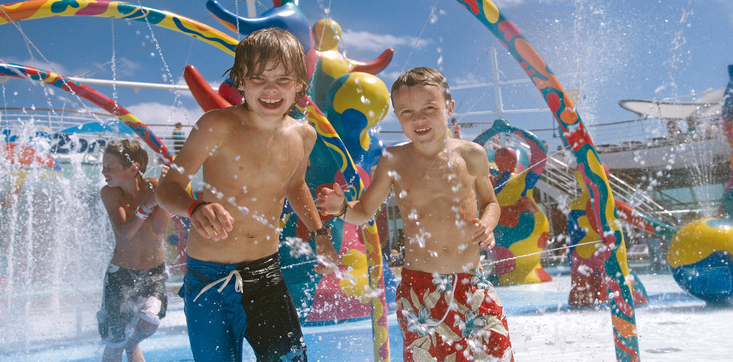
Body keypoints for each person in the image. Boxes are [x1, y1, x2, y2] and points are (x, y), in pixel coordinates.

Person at [156, 28, 338, 362]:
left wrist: (320, 233)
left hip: (266, 274)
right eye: (258, 78)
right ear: (240, 80)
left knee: (291, 359)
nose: (271, 89)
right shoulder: (216, 125)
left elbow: (295, 186)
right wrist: (194, 207)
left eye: (283, 79)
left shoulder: (304, 135)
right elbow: (167, 189)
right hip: (209, 279)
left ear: (299, 85)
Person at [316, 67, 513, 362]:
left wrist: (487, 224)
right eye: (407, 111)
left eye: (429, 108)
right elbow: (365, 210)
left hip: (471, 282)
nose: (418, 119)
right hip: (419, 289)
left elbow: (491, 203)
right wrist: (342, 208)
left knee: (496, 352)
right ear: (397, 114)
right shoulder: (394, 160)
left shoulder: (471, 155)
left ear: (449, 108)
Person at [98, 139, 171, 362]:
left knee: (149, 321)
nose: (103, 171)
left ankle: (132, 345)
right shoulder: (110, 193)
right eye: (103, 166)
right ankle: (126, 346)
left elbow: (159, 229)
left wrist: (164, 194)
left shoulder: (155, 187)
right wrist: (147, 205)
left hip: (153, 272)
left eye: (109, 166)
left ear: (133, 168)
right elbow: (125, 232)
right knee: (115, 341)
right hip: (120, 275)